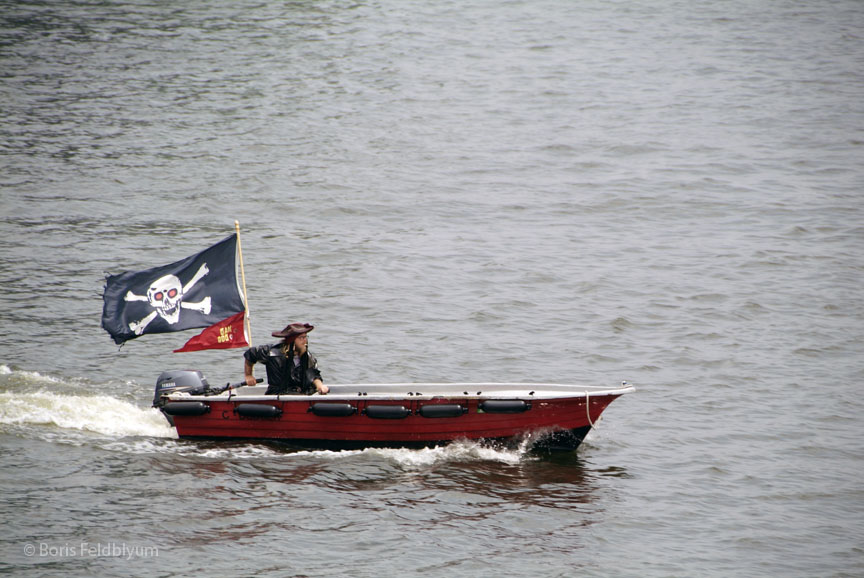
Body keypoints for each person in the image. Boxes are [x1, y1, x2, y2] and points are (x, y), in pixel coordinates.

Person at [243, 322, 329, 395]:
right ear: (292, 340)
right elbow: (250, 354)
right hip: (277, 394)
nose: (305, 341)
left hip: (300, 394)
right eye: (301, 338)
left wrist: (320, 386)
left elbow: (313, 376)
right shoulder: (272, 353)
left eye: (306, 337)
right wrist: (249, 375)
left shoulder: (307, 356)